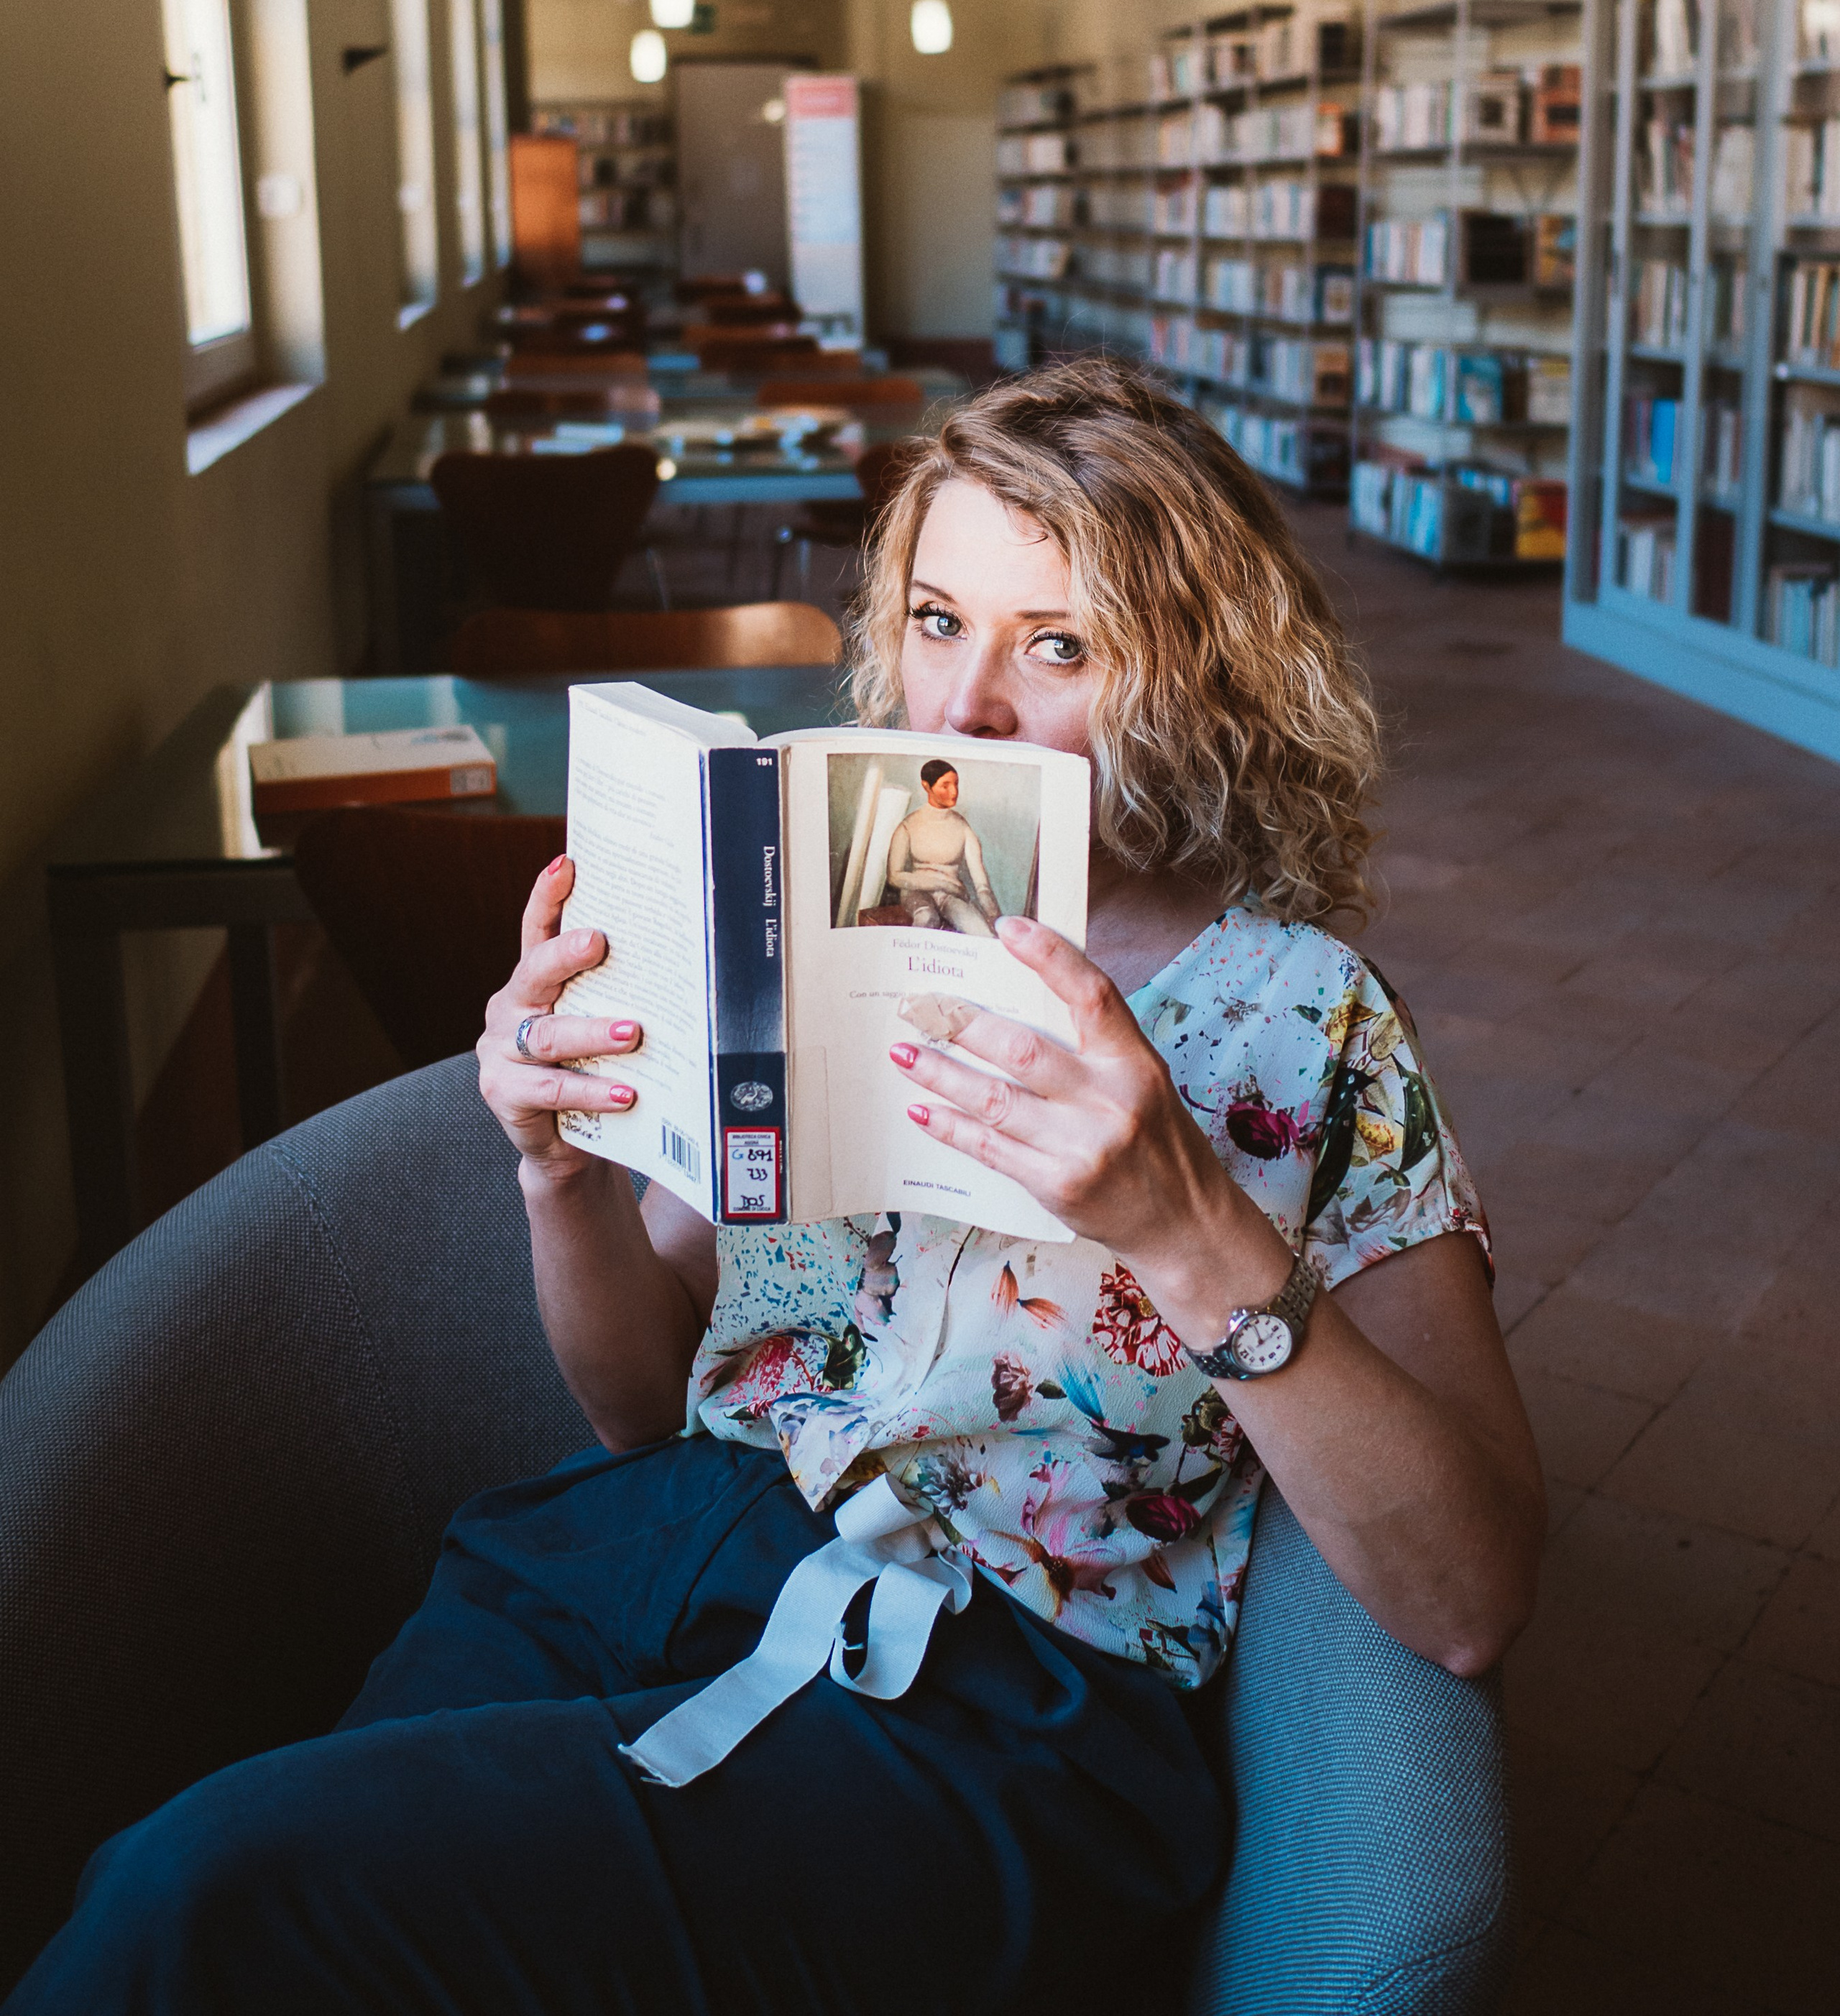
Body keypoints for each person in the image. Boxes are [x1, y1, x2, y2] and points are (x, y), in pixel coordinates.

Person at [6, 363, 1544, 2015]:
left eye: (1058, 644)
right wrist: (557, 1170)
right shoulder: (820, 903)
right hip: (663, 1546)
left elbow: (1465, 1599)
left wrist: (1190, 1231)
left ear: (1194, 667)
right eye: (938, 620)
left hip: (992, 1701)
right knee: (259, 1896)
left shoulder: (1304, 1019)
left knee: (208, 1892)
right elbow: (631, 1399)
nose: (959, 712)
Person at [883, 758, 1001, 932]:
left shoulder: (963, 827)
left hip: (951, 896)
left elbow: (981, 885)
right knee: (927, 918)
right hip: (917, 893)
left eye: (956, 784)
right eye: (945, 786)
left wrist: (995, 919)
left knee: (980, 930)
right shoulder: (908, 825)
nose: (954, 792)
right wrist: (944, 884)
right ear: (927, 786)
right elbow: (895, 876)